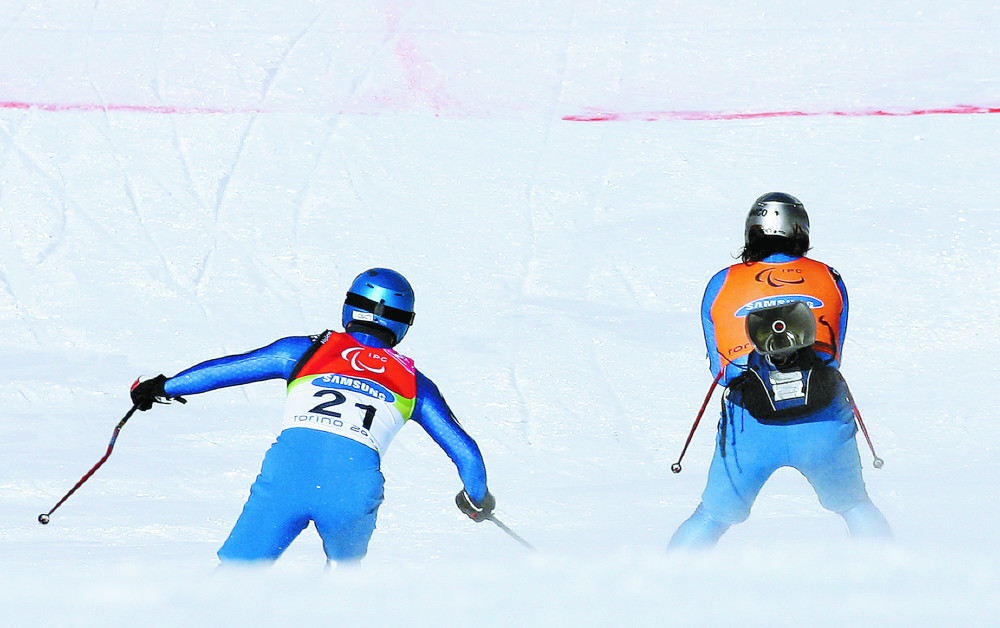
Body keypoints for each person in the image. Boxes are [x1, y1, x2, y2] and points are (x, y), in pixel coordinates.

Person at [130, 268, 496, 564]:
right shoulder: (415, 383)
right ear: (403, 323)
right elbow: (467, 453)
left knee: (236, 578)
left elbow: (229, 369)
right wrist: (476, 500)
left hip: (287, 474)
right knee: (341, 591)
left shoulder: (306, 350)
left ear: (350, 306)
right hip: (353, 488)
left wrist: (163, 387)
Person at [668, 192, 891, 549]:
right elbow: (832, 356)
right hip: (823, 418)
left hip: (751, 423)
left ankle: (663, 593)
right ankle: (897, 581)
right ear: (800, 230)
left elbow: (722, 371)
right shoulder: (828, 277)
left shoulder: (720, 283)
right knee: (854, 505)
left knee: (711, 517)